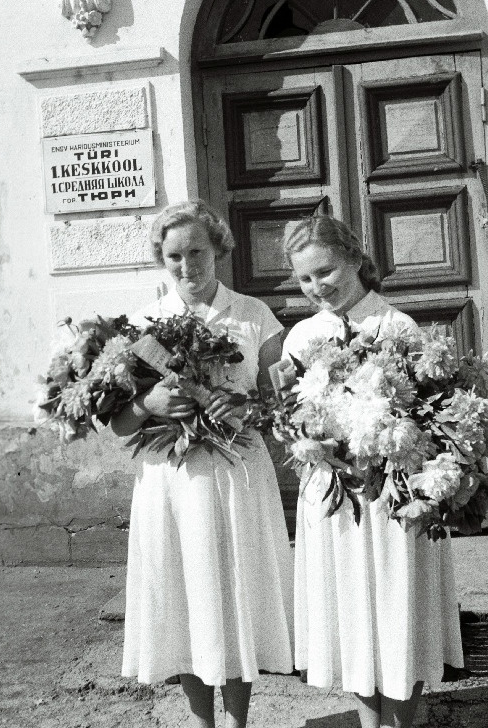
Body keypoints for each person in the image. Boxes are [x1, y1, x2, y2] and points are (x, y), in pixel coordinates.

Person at [113, 202, 293, 728]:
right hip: (170, 480)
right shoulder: (143, 326)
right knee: (182, 592)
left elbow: (282, 403)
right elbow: (120, 423)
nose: (187, 266)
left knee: (235, 590)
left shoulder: (254, 316)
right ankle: (200, 721)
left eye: (197, 251)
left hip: (237, 474)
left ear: (218, 248)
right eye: (174, 256)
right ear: (160, 259)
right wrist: (148, 405)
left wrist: (244, 408)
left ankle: (237, 720)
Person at [281, 215, 463, 728]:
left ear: (357, 260)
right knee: (354, 610)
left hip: (391, 492)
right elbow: (288, 420)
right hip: (335, 494)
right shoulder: (301, 336)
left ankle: (402, 721)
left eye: (326, 271)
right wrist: (303, 441)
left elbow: (426, 413)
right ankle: (368, 722)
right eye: (305, 279)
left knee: (397, 598)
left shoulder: (395, 326)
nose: (317, 287)